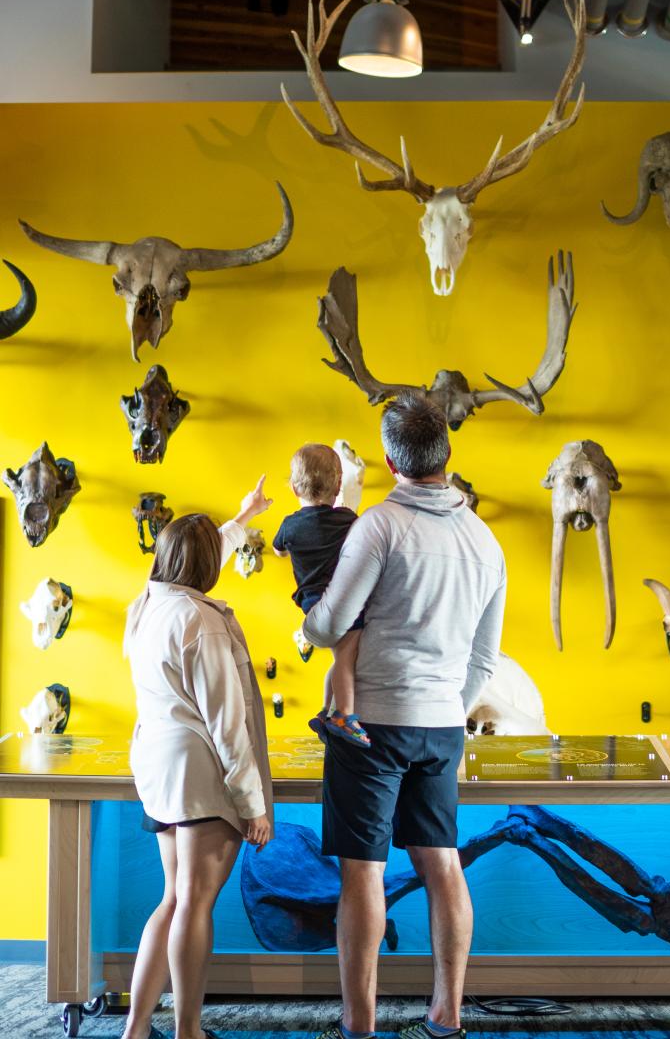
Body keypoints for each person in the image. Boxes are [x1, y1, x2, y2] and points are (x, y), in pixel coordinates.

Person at [302, 392, 507, 1039]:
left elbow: (332, 621)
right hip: (443, 724)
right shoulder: (486, 541)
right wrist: (447, 702)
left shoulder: (380, 526)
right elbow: (486, 658)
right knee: (441, 861)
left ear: (391, 462)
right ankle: (446, 1019)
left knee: (363, 870)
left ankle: (358, 1026)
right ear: (446, 453)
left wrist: (310, 622)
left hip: (373, 724)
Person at [122, 476, 273, 1039]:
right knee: (195, 904)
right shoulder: (201, 621)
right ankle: (188, 1030)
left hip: (158, 770)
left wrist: (242, 518)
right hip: (200, 774)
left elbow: (189, 554)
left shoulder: (145, 606)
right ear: (207, 566)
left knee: (173, 897)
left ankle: (136, 1028)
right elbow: (227, 725)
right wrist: (253, 805)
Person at [273, 443, 369, 747]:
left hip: (311, 608)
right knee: (346, 658)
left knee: (340, 659)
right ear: (338, 485)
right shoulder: (346, 520)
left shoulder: (289, 525)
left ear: (292, 488)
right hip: (340, 604)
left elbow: (277, 550)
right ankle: (344, 714)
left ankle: (326, 711)